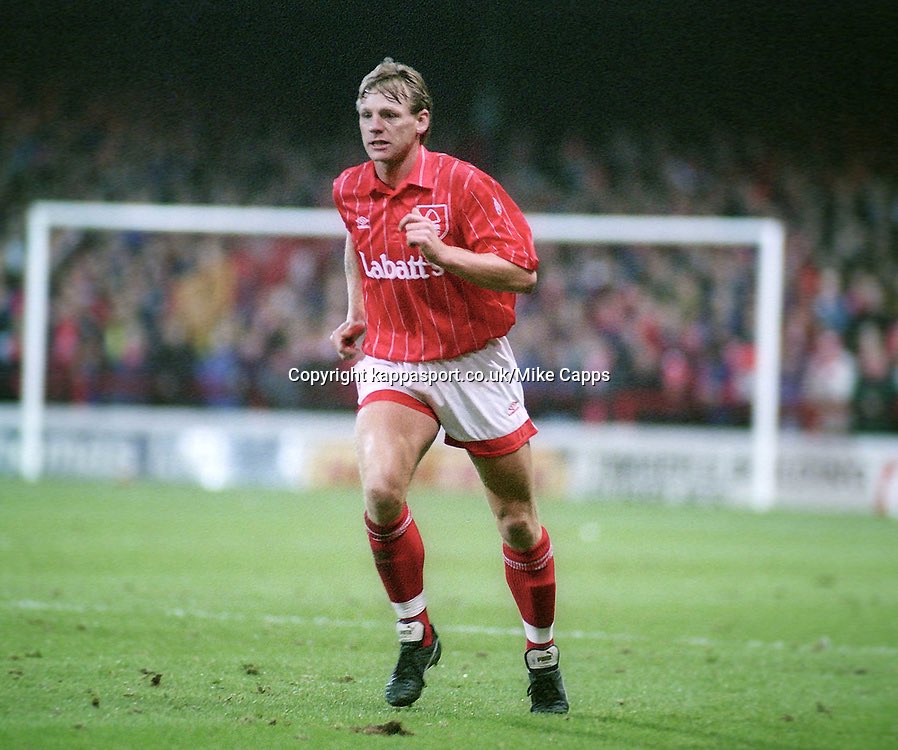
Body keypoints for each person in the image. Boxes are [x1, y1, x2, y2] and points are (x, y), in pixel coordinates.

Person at [330, 58, 568, 714]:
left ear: (421, 121)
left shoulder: (463, 186)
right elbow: (356, 242)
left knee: (518, 524)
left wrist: (443, 254)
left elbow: (522, 273)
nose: (374, 127)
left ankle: (541, 655)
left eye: (388, 115)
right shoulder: (349, 188)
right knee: (380, 491)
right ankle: (416, 635)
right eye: (365, 116)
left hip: (473, 364)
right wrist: (356, 313)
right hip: (394, 361)